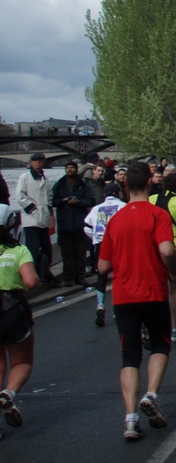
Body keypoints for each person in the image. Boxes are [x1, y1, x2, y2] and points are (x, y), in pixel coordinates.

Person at [98, 162, 176, 441]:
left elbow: (102, 266)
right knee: (160, 345)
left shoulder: (115, 220)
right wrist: (171, 267)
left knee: (129, 355)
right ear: (149, 184)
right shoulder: (157, 214)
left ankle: (130, 419)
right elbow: (167, 249)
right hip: (153, 290)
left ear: (125, 185)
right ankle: (152, 394)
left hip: (123, 295)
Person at [0, 204, 40, 439]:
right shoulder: (18, 250)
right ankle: (9, 393)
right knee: (22, 362)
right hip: (12, 309)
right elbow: (31, 282)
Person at [150, 173, 176, 342]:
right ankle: (175, 327)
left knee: (156, 288)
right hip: (175, 247)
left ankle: (154, 327)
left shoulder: (151, 198)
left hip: (156, 246)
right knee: (174, 290)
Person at [84, 182, 126, 327]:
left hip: (100, 243)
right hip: (117, 244)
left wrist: (95, 238)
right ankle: (116, 308)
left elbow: (86, 226)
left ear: (104, 195)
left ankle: (100, 305)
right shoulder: (123, 206)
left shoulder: (96, 208)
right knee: (117, 275)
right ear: (119, 193)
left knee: (101, 275)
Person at [51, 160, 94, 287]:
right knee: (67, 252)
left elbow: (90, 201)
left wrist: (78, 201)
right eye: (68, 167)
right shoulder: (59, 184)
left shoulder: (83, 185)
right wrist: (63, 200)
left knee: (80, 252)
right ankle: (68, 277)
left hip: (79, 223)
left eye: (72, 168)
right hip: (65, 223)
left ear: (76, 170)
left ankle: (80, 276)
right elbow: (53, 201)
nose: (70, 170)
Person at [15, 153, 55, 287]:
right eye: (35, 161)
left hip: (43, 219)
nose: (38, 163)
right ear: (31, 163)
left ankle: (45, 274)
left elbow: (49, 196)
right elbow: (19, 195)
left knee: (47, 249)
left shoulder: (45, 178)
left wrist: (48, 209)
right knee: (32, 249)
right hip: (31, 220)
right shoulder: (25, 177)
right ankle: (35, 274)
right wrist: (31, 208)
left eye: (40, 161)